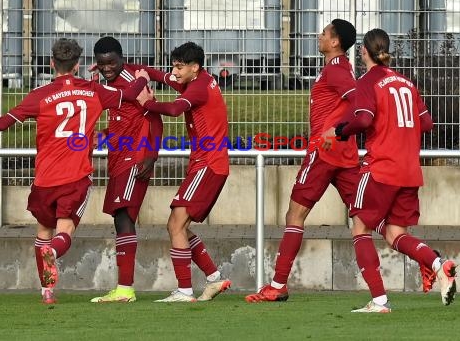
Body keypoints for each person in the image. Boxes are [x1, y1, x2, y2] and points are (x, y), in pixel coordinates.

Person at [0, 38, 150, 305]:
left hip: (44, 179)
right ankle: (54, 250)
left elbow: (4, 122)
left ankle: (47, 291)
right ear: (78, 65)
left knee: (43, 231)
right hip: (75, 177)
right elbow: (131, 94)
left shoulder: (39, 96)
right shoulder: (95, 91)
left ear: (52, 63)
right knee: (64, 232)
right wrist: (143, 78)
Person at [323, 28, 457, 312]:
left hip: (381, 168)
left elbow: (363, 119)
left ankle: (379, 300)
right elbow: (427, 123)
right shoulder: (407, 83)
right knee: (396, 233)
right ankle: (438, 263)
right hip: (409, 171)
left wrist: (340, 131)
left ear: (364, 53)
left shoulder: (368, 81)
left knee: (360, 228)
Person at [244, 19, 361, 303]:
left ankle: (278, 285)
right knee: (365, 217)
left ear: (335, 42)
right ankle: (430, 261)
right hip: (344, 154)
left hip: (323, 152)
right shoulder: (340, 68)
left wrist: (334, 132)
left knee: (294, 216)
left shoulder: (335, 70)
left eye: (324, 32)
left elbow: (359, 101)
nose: (318, 35)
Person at [136, 42, 231, 302]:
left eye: (179, 67)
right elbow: (161, 76)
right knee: (180, 226)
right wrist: (140, 71)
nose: (174, 72)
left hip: (208, 165)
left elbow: (176, 109)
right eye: (174, 66)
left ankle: (185, 290)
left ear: (194, 67)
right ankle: (214, 278)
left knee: (175, 224)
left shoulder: (198, 87)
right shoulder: (197, 80)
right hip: (208, 164)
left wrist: (148, 103)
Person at [87, 36, 163, 303]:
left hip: (135, 158)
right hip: (119, 159)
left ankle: (125, 289)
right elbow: (126, 120)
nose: (107, 67)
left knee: (123, 217)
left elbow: (154, 117)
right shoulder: (113, 83)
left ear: (122, 59)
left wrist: (152, 155)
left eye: (112, 62)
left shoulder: (131, 81)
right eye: (102, 63)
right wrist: (105, 135)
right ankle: (124, 288)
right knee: (121, 219)